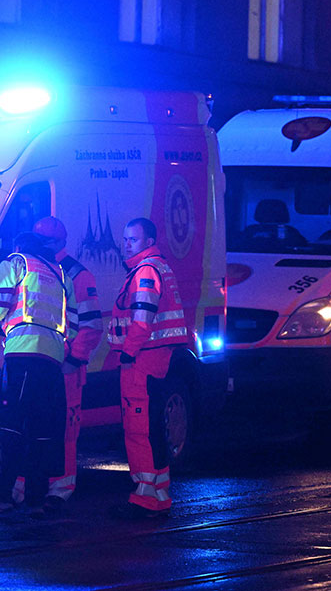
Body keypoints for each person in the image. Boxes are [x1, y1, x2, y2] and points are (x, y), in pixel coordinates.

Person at [0, 231, 79, 516]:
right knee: (42, 429)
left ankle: (1, 496)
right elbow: (73, 323)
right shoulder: (60, 275)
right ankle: (36, 498)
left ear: (18, 245)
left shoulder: (15, 262)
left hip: (22, 353)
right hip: (52, 358)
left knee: (10, 424)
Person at [108, 217, 187, 520]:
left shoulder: (145, 271)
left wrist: (128, 352)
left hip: (142, 358)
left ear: (149, 241)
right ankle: (159, 493)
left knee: (139, 426)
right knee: (152, 426)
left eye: (133, 239)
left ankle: (144, 495)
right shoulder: (157, 268)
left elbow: (142, 319)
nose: (127, 244)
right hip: (155, 358)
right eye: (125, 239)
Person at [28, 216, 102, 518]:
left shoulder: (77, 276)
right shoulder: (35, 268)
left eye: (47, 242)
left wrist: (73, 361)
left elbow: (92, 326)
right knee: (31, 426)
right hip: (40, 362)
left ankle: (60, 489)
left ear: (59, 243)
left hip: (64, 366)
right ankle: (29, 486)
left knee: (65, 430)